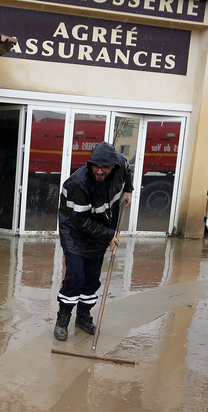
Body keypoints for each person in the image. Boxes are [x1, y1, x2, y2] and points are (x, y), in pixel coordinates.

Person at [54, 142, 133, 341]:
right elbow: (79, 220)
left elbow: (128, 168)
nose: (99, 170)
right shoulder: (78, 183)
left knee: (91, 278)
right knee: (76, 277)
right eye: (95, 165)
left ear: (113, 166)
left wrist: (128, 190)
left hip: (100, 229)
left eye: (104, 167)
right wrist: (107, 235)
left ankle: (83, 317)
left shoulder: (120, 165)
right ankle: (62, 320)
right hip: (75, 234)